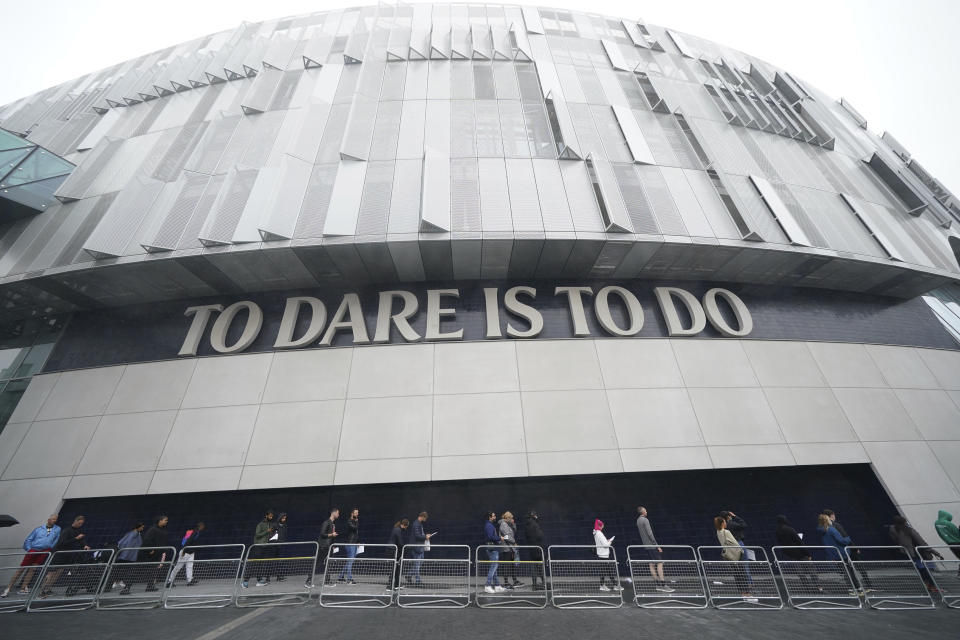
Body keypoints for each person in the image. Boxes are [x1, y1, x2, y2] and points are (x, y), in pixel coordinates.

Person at [2, 514, 60, 598]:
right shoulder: (38, 529)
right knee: (21, 569)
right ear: (48, 520)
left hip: (45, 551)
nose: (55, 520)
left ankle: (23, 587)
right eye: (53, 519)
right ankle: (8, 588)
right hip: (34, 550)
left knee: (33, 569)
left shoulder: (57, 529)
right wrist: (29, 549)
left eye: (56, 519)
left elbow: (56, 540)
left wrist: (50, 547)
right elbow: (29, 539)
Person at [39, 515, 91, 599]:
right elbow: (62, 543)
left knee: (59, 572)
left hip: (66, 555)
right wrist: (76, 538)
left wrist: (85, 545)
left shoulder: (78, 531)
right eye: (79, 523)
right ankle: (42, 591)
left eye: (82, 523)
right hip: (58, 553)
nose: (80, 525)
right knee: (51, 573)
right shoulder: (66, 530)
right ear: (75, 521)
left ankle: (47, 589)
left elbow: (81, 540)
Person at [888, 515, 943, 591]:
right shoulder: (908, 529)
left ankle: (927, 585)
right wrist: (936, 553)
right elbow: (921, 542)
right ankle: (932, 586)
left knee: (921, 568)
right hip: (919, 551)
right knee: (926, 569)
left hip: (910, 552)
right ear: (904, 522)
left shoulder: (893, 530)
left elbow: (895, 540)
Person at [774, 515, 819, 594]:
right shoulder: (789, 529)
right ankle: (818, 587)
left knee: (800, 572)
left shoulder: (778, 531)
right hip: (800, 553)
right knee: (811, 570)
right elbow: (799, 542)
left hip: (791, 554)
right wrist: (808, 554)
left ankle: (807, 588)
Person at [636, 506, 673, 594]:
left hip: (646, 546)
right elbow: (650, 534)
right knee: (659, 563)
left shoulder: (638, 521)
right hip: (652, 546)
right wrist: (657, 546)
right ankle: (663, 585)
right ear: (643, 512)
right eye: (645, 510)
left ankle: (658, 585)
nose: (646, 511)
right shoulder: (645, 520)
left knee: (651, 565)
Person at [715, 516, 749, 598]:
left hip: (728, 555)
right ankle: (746, 593)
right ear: (723, 523)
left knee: (736, 573)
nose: (726, 523)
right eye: (725, 522)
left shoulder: (718, 532)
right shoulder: (726, 532)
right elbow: (735, 543)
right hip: (735, 554)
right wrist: (741, 550)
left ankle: (741, 591)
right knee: (742, 573)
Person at [242, 510, 276, 588]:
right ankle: (245, 581)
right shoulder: (261, 524)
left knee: (261, 564)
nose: (271, 517)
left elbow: (268, 535)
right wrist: (267, 531)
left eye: (272, 516)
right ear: (266, 516)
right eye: (270, 516)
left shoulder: (270, 524)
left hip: (265, 547)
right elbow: (257, 535)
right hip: (258, 547)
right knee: (254, 564)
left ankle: (259, 580)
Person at [168, 522, 204, 588]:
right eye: (203, 526)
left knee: (189, 566)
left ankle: (189, 580)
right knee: (178, 567)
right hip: (185, 552)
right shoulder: (195, 532)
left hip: (191, 552)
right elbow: (188, 541)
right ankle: (169, 581)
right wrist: (184, 551)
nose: (203, 527)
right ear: (200, 526)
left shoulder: (195, 532)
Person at [112, 521, 144, 594]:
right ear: (138, 527)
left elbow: (121, 542)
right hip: (128, 556)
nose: (142, 528)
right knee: (127, 570)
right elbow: (127, 543)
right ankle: (121, 583)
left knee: (123, 569)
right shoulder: (135, 534)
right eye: (142, 527)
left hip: (126, 555)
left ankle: (119, 581)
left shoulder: (131, 533)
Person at [140, 515, 170, 592]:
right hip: (153, 554)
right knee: (152, 570)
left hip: (159, 553)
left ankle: (150, 585)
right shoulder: (153, 529)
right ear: (160, 521)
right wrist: (151, 550)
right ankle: (149, 586)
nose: (166, 521)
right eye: (165, 520)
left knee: (155, 570)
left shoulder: (163, 530)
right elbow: (147, 540)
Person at [313, 508, 339, 587]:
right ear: (333, 513)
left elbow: (331, 537)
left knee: (327, 564)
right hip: (323, 546)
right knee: (317, 563)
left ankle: (327, 582)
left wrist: (333, 546)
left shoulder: (332, 524)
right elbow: (322, 534)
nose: (338, 515)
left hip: (329, 547)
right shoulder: (326, 522)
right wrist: (332, 535)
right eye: (337, 513)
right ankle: (308, 581)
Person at [406, 511, 432, 586]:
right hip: (416, 547)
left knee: (420, 563)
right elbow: (417, 536)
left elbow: (419, 534)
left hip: (420, 546)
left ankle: (408, 575)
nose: (426, 520)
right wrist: (425, 537)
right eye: (425, 518)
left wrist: (426, 535)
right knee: (417, 564)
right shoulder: (416, 524)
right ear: (423, 517)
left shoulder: (418, 523)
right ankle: (418, 581)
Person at [593, 519, 620, 592]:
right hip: (603, 555)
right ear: (600, 525)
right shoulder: (599, 533)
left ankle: (612, 585)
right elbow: (605, 545)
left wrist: (607, 541)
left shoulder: (596, 533)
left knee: (606, 571)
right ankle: (609, 585)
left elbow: (603, 543)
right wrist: (610, 541)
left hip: (602, 554)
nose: (603, 526)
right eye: (602, 525)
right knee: (606, 571)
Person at [483, 512, 505, 593]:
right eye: (493, 516)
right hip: (492, 549)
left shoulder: (489, 525)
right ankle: (487, 585)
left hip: (492, 548)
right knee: (493, 567)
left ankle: (497, 585)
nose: (495, 517)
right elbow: (490, 537)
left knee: (494, 567)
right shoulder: (489, 525)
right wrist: (500, 538)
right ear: (490, 517)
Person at [337, 508, 360, 584]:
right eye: (356, 513)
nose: (357, 514)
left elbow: (356, 533)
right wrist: (356, 522)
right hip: (350, 544)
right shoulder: (349, 521)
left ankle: (340, 577)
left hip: (354, 544)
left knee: (349, 561)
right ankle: (349, 579)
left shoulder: (355, 521)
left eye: (357, 513)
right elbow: (354, 528)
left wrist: (358, 542)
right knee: (350, 561)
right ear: (352, 513)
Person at [523, 510, 545, 591]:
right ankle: (543, 582)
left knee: (533, 567)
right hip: (538, 548)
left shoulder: (526, 525)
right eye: (536, 515)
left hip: (531, 548)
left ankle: (534, 584)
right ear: (534, 516)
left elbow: (526, 536)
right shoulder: (535, 524)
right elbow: (540, 535)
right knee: (540, 566)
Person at [498, 511, 521, 588]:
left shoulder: (508, 524)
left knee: (512, 565)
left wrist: (513, 524)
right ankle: (506, 582)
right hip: (506, 548)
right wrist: (514, 542)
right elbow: (507, 536)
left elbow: (513, 532)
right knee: (507, 565)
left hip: (511, 548)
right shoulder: (503, 525)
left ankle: (515, 581)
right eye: (511, 518)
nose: (512, 519)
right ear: (507, 518)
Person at [934, 510, 960, 575]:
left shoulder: (937, 523)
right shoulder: (949, 524)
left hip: (951, 543)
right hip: (957, 542)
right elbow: (957, 533)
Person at [388, 519, 409, 591]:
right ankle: (389, 586)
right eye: (407, 527)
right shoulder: (397, 530)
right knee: (394, 568)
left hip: (393, 550)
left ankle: (396, 585)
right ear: (404, 525)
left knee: (397, 568)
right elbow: (400, 542)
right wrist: (405, 547)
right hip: (393, 551)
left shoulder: (397, 529)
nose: (406, 529)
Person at [272, 513, 288, 582]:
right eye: (283, 518)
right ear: (280, 518)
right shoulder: (275, 525)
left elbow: (284, 534)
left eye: (285, 518)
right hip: (273, 546)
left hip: (280, 546)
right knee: (271, 562)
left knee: (279, 562)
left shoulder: (284, 525)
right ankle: (267, 578)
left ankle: (279, 577)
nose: (284, 519)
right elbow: (271, 535)